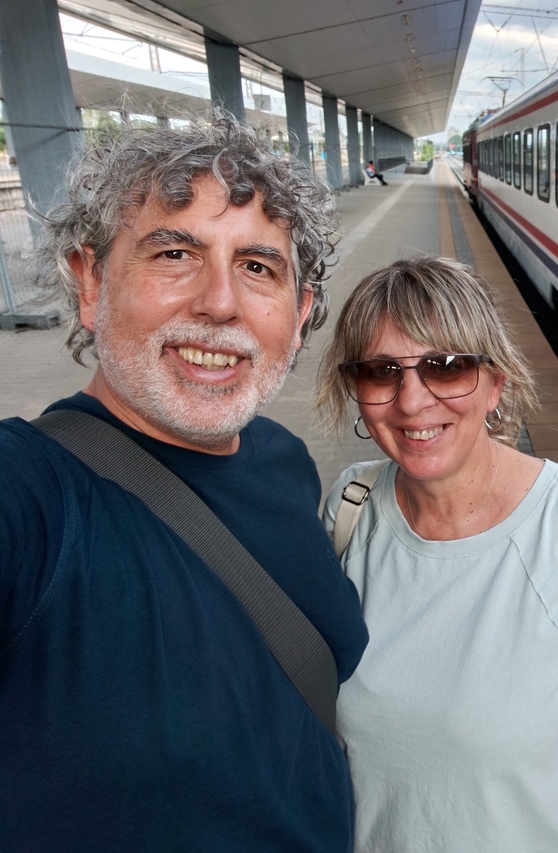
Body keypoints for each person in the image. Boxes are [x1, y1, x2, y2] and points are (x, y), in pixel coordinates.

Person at [0, 117, 369, 851]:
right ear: (89, 281)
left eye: (259, 267)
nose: (221, 303)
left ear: (297, 318)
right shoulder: (35, 496)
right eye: (175, 253)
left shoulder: (282, 459)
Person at [317, 257, 558, 852]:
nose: (412, 401)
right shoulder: (349, 512)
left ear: (496, 383)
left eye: (447, 367)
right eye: (382, 372)